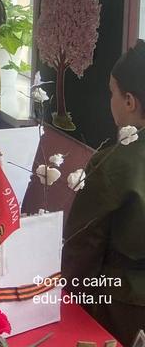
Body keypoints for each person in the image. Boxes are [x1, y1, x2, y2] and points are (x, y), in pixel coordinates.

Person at [63, 41, 145, 346]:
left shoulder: (113, 163)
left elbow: (82, 248)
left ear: (129, 101)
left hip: (122, 307)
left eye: (112, 93)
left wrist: (71, 304)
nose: (110, 101)